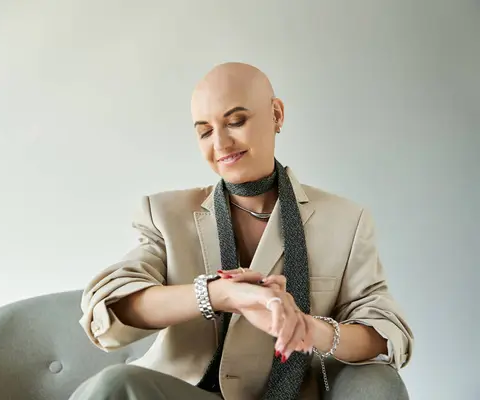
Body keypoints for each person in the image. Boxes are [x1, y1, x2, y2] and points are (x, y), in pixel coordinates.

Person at [70, 62, 414, 400]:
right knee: (114, 385)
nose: (220, 143)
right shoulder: (164, 213)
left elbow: (387, 332)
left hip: (291, 395)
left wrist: (313, 330)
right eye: (205, 131)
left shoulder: (346, 220)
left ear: (276, 114)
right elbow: (110, 308)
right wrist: (221, 294)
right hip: (186, 393)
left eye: (236, 121)